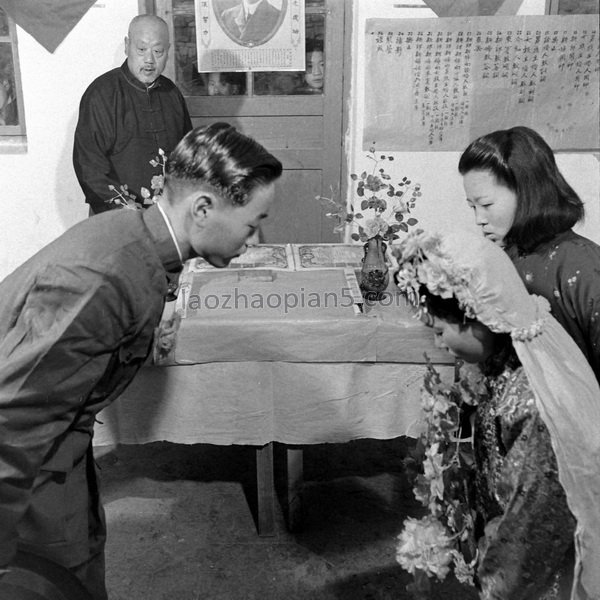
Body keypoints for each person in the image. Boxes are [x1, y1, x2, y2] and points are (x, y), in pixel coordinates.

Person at [0, 123, 282, 600]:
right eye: (252, 223)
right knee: (59, 579)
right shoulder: (107, 278)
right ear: (203, 208)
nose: (253, 239)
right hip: (29, 463)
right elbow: (10, 424)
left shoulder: (133, 237)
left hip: (56, 445)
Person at [394, 229, 600, 600]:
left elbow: (532, 522)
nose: (439, 345)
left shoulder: (533, 404)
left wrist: (494, 580)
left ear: (476, 316)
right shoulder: (500, 362)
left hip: (533, 574)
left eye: (440, 332)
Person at [458, 126, 600, 383]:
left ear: (527, 191)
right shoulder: (504, 257)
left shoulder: (583, 264)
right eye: (473, 207)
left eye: (487, 204)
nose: (479, 219)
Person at [73, 15, 192, 214]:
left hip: (167, 217)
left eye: (158, 51)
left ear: (168, 51)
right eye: (142, 49)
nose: (149, 60)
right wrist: (126, 209)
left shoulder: (172, 94)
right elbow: (88, 165)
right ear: (127, 46)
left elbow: (189, 156)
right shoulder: (102, 93)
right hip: (117, 216)